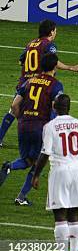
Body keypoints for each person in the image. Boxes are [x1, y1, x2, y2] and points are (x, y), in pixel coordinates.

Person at [0, 19, 78, 148]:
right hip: (41, 82)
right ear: (51, 32)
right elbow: (53, 61)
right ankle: (52, 141)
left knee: (13, 109)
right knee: (50, 108)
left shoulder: (31, 43)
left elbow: (21, 61)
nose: (55, 33)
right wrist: (71, 67)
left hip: (25, 82)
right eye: (55, 30)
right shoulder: (49, 45)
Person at [32, 94, 78, 251]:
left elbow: (45, 153)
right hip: (76, 170)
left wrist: (36, 175)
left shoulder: (50, 126)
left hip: (59, 171)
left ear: (54, 107)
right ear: (69, 107)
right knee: (74, 213)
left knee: (60, 215)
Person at [0, 53, 64, 206]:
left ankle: (9, 167)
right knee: (37, 163)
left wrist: (21, 119)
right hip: (41, 128)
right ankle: (21, 197)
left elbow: (14, 105)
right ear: (55, 67)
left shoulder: (29, 81)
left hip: (24, 125)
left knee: (27, 160)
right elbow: (56, 107)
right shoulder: (56, 84)